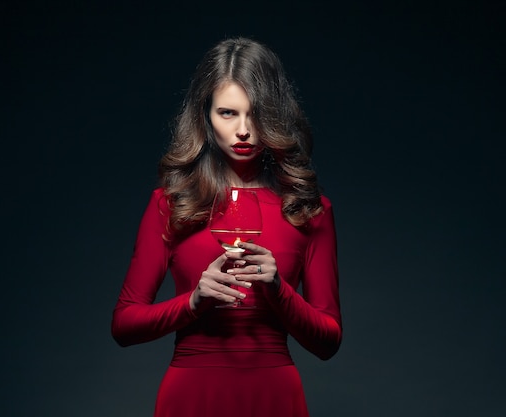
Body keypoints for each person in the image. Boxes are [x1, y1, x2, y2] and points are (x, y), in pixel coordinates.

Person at [111, 36, 342, 417]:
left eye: (257, 114)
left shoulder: (308, 210)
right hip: (192, 395)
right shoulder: (169, 204)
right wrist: (193, 302)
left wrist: (278, 290)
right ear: (205, 116)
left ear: (276, 115)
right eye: (228, 113)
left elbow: (328, 341)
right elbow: (124, 325)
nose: (244, 131)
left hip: (273, 396)